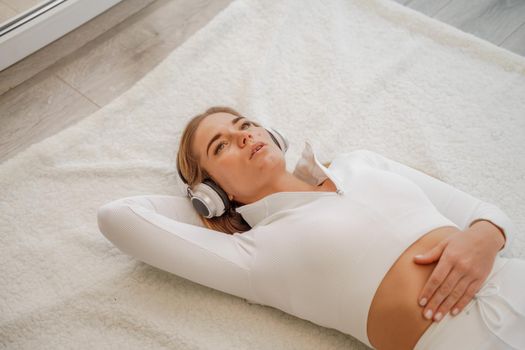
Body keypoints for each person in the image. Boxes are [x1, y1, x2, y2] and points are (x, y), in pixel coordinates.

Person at [98, 106, 525, 350]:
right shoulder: (253, 254)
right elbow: (119, 218)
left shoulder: (361, 162)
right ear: (211, 191)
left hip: (511, 280)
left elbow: (481, 213)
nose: (244, 135)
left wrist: (486, 237)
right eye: (221, 145)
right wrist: (205, 207)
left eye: (244, 124)